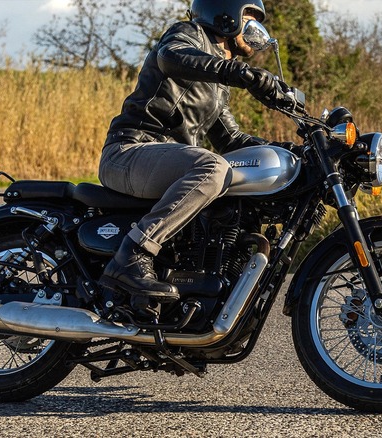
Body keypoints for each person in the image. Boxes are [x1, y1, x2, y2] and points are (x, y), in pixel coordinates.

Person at [98, 0, 288, 306]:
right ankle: (134, 253)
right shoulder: (188, 34)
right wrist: (239, 73)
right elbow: (171, 57)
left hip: (163, 161)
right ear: (226, 16)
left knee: (238, 178)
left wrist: (288, 151)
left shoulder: (218, 88)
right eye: (249, 19)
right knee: (214, 169)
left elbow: (231, 140)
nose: (256, 32)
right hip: (130, 151)